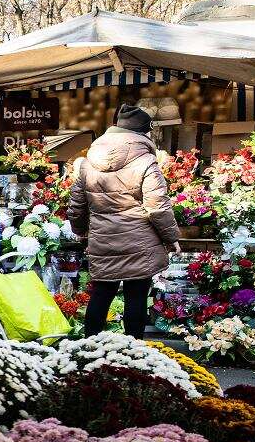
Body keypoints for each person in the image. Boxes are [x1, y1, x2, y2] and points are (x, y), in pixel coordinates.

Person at [68, 104, 179, 340]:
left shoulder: (88, 163)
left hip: (103, 240)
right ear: (142, 134)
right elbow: (157, 207)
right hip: (139, 242)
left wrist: (81, 231)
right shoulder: (146, 162)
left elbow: (77, 205)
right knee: (136, 297)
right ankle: (134, 353)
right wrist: (171, 239)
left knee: (101, 294)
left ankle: (88, 349)